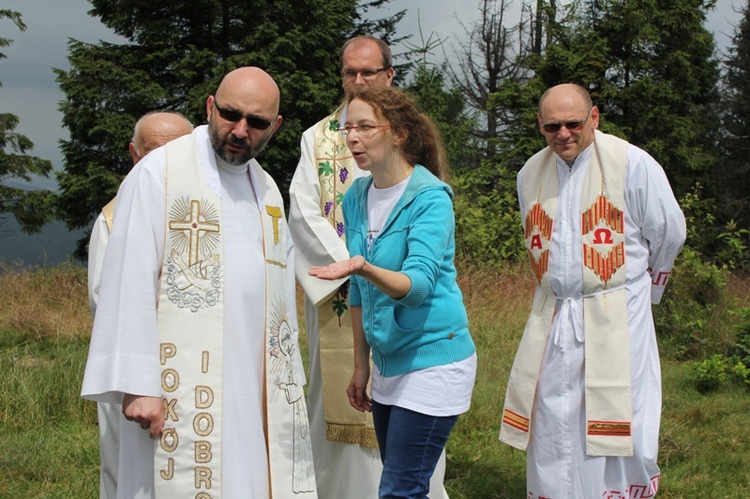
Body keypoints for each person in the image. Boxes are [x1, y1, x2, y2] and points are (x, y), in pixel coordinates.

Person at [81, 67, 317, 498]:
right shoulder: (159, 173)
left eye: (258, 122)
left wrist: (288, 380)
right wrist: (138, 384)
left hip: (253, 383)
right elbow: (127, 278)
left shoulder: (266, 190)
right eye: (230, 114)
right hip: (178, 388)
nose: (241, 130)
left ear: (275, 127)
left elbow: (280, 296)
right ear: (210, 106)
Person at [498, 83, 686, 498]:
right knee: (551, 414)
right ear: (540, 126)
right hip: (554, 316)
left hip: (618, 314)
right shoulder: (530, 173)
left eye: (573, 123)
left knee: (619, 415)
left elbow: (669, 232)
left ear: (594, 118)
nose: (562, 133)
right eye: (552, 126)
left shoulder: (632, 163)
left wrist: (643, 292)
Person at [288, 36, 449, 498]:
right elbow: (303, 213)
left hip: (405, 295)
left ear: (389, 76)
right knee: (340, 406)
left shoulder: (406, 136)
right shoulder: (316, 138)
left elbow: (424, 215)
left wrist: (376, 270)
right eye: (349, 73)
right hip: (341, 298)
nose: (357, 81)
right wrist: (350, 269)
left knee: (413, 404)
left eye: (369, 73)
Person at [308, 86, 477, 499]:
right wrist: (361, 365)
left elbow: (417, 288)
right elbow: (361, 295)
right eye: (349, 128)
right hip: (387, 365)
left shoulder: (429, 199)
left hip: (433, 360)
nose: (353, 138)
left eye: (365, 127)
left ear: (398, 133)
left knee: (400, 489)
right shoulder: (357, 196)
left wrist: (363, 266)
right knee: (402, 485)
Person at [87, 111, 194, 499]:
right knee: (128, 474)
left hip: (198, 367)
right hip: (137, 368)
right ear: (134, 154)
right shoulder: (115, 218)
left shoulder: (203, 210)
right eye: (153, 152)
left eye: (177, 151)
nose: (165, 161)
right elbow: (104, 299)